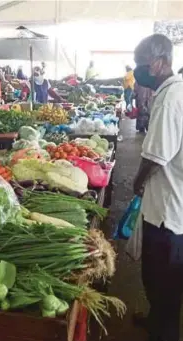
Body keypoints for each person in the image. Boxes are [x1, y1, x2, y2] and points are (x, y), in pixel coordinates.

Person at [132, 34, 183, 341]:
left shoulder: (169, 98)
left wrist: (137, 184)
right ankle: (156, 323)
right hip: (174, 204)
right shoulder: (175, 91)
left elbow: (154, 156)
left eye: (143, 64)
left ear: (160, 62)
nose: (139, 70)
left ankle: (162, 332)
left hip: (167, 211)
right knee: (165, 285)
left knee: (160, 283)